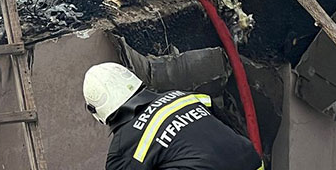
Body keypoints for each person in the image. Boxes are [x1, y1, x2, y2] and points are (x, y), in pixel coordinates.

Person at [82, 62, 262, 170]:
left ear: (96, 110)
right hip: (252, 162)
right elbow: (229, 127)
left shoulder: (122, 147)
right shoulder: (186, 97)